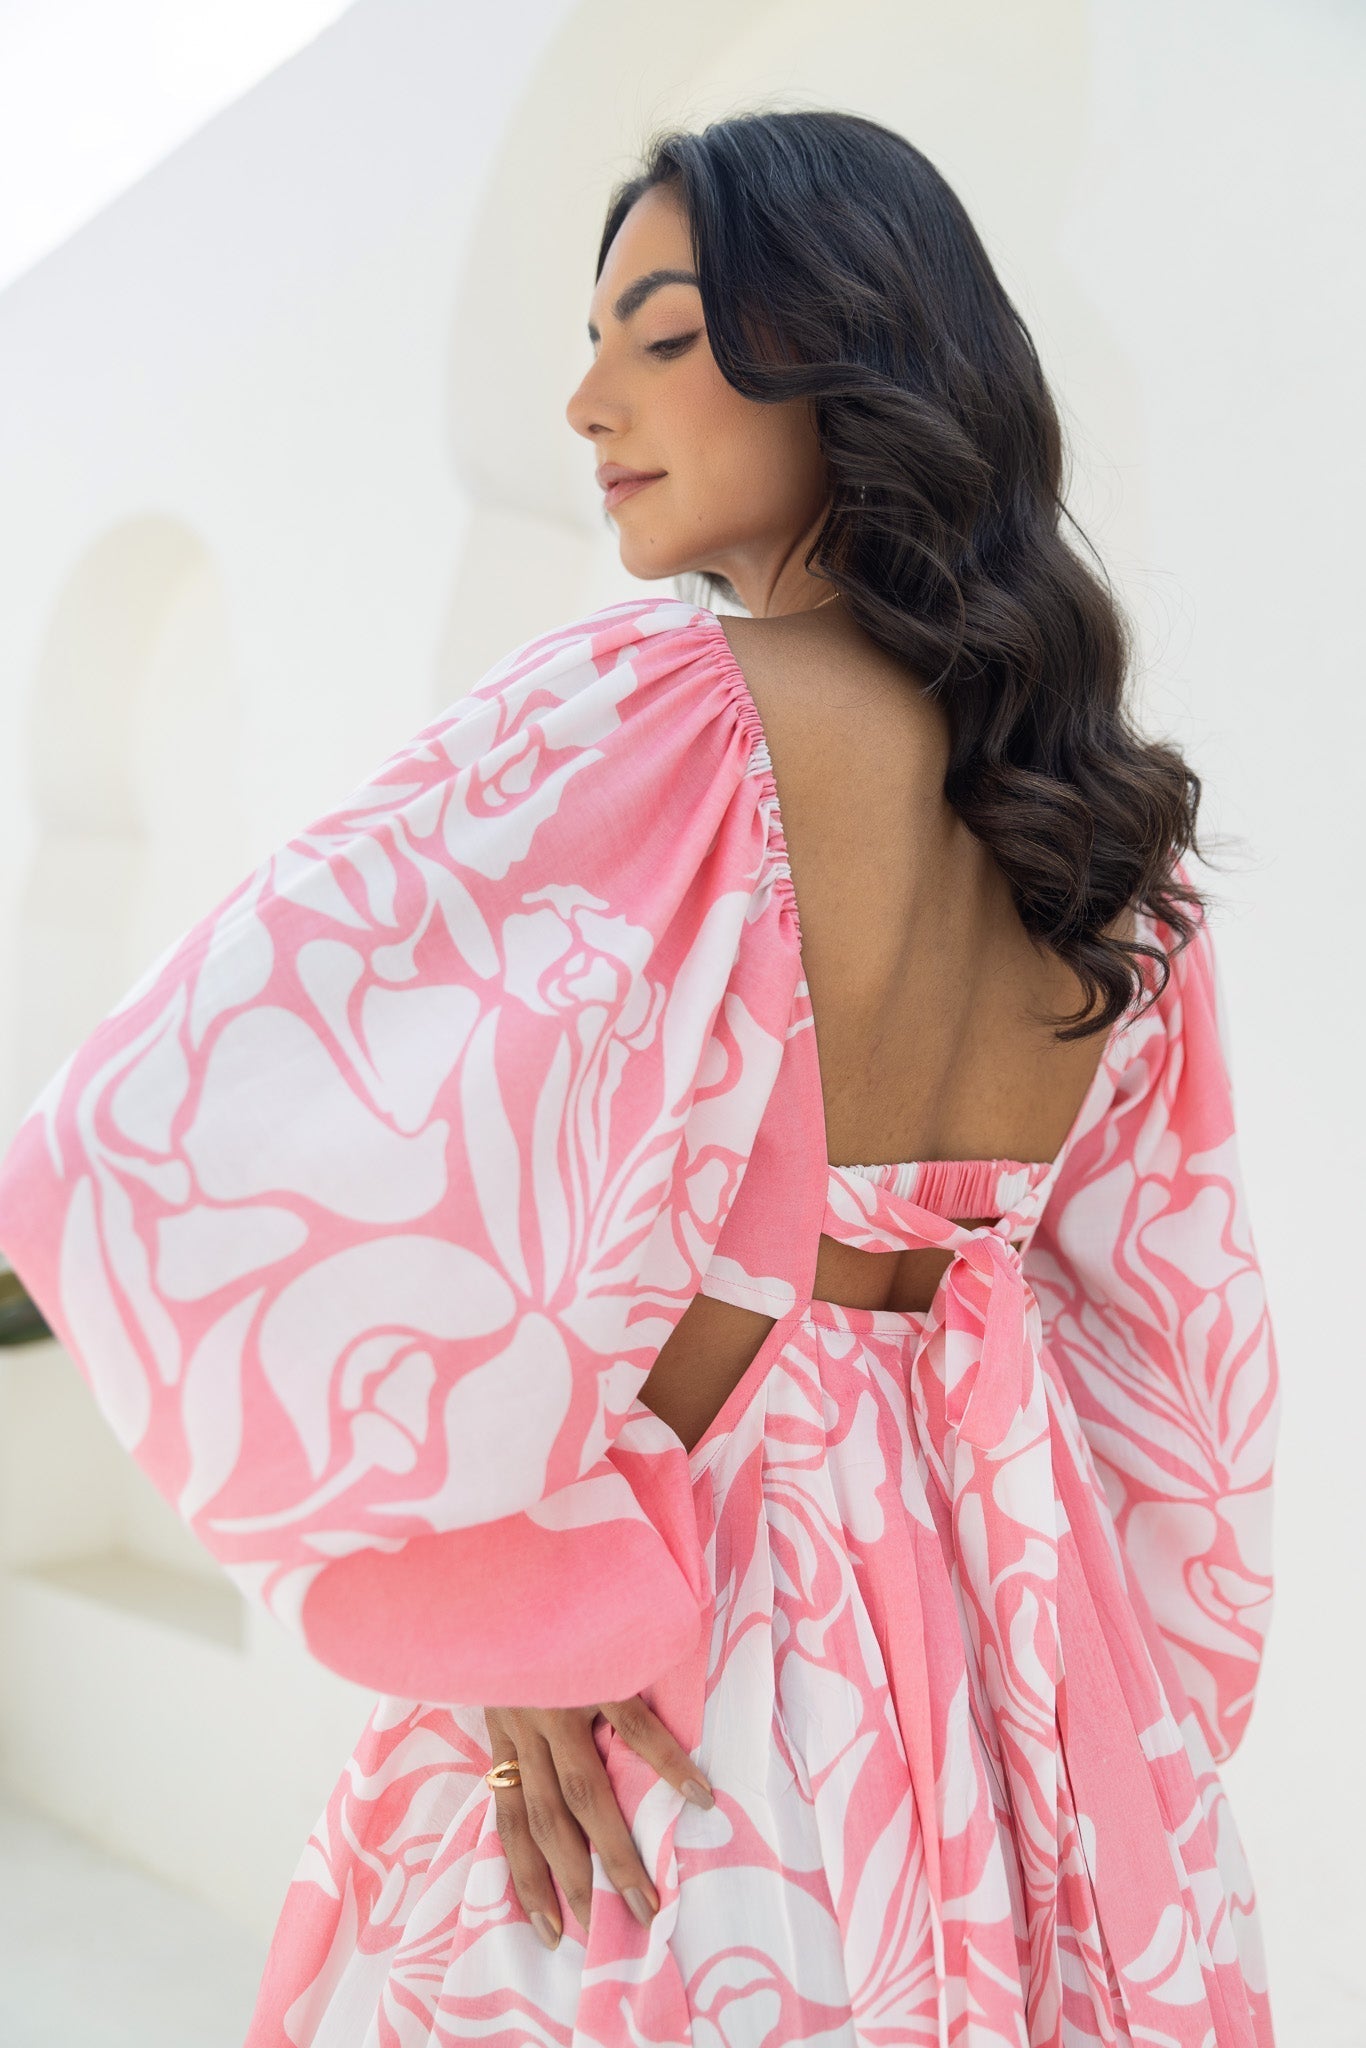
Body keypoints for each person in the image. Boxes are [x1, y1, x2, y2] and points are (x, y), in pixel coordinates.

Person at [0, 109, 1279, 2046]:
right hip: (1003, 1643)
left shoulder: (664, 714)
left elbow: (146, 1136)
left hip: (692, 1626)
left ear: (846, 347)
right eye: (592, 338)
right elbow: (1168, 1363)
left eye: (663, 334)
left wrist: (513, 1582)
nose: (587, 399)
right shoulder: (1111, 841)